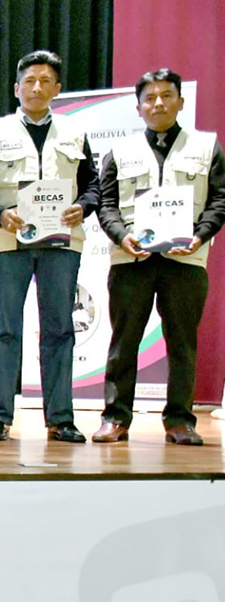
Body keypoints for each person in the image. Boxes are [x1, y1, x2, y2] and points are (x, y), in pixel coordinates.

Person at [93, 68, 225, 446]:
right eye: (150, 98)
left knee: (182, 342)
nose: (158, 104)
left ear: (180, 102)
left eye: (167, 96)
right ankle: (115, 418)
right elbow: (106, 204)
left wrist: (200, 236)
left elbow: (219, 199)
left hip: (186, 260)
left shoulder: (206, 146)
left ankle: (180, 420)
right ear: (138, 108)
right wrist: (121, 235)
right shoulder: (120, 151)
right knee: (124, 341)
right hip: (130, 260)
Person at [0, 50, 98, 443]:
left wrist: (84, 206)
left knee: (60, 329)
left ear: (58, 89)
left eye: (46, 81)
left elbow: (93, 184)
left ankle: (60, 417)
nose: (37, 87)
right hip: (6, 241)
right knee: (4, 330)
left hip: (61, 244)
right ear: (16, 88)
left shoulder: (75, 133)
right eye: (29, 81)